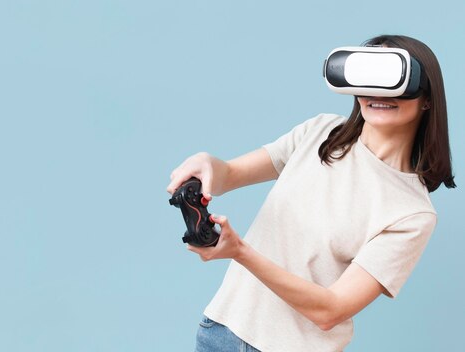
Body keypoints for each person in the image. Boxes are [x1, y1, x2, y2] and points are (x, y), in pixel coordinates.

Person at [166, 35, 456, 352]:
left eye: (388, 80)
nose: (376, 92)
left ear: (426, 96)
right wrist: (208, 164)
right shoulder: (321, 132)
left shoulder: (412, 212)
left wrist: (240, 252)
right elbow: (229, 174)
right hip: (220, 332)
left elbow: (330, 310)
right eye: (366, 78)